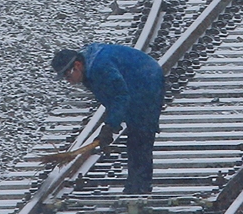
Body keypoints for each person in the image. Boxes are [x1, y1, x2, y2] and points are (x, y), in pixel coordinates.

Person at [51, 43, 164, 195]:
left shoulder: (99, 68)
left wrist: (110, 126)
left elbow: (120, 96)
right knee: (135, 136)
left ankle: (140, 188)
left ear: (77, 65)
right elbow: (111, 98)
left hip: (147, 80)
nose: (68, 80)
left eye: (68, 75)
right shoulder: (89, 70)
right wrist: (111, 125)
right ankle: (135, 186)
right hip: (134, 81)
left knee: (141, 134)